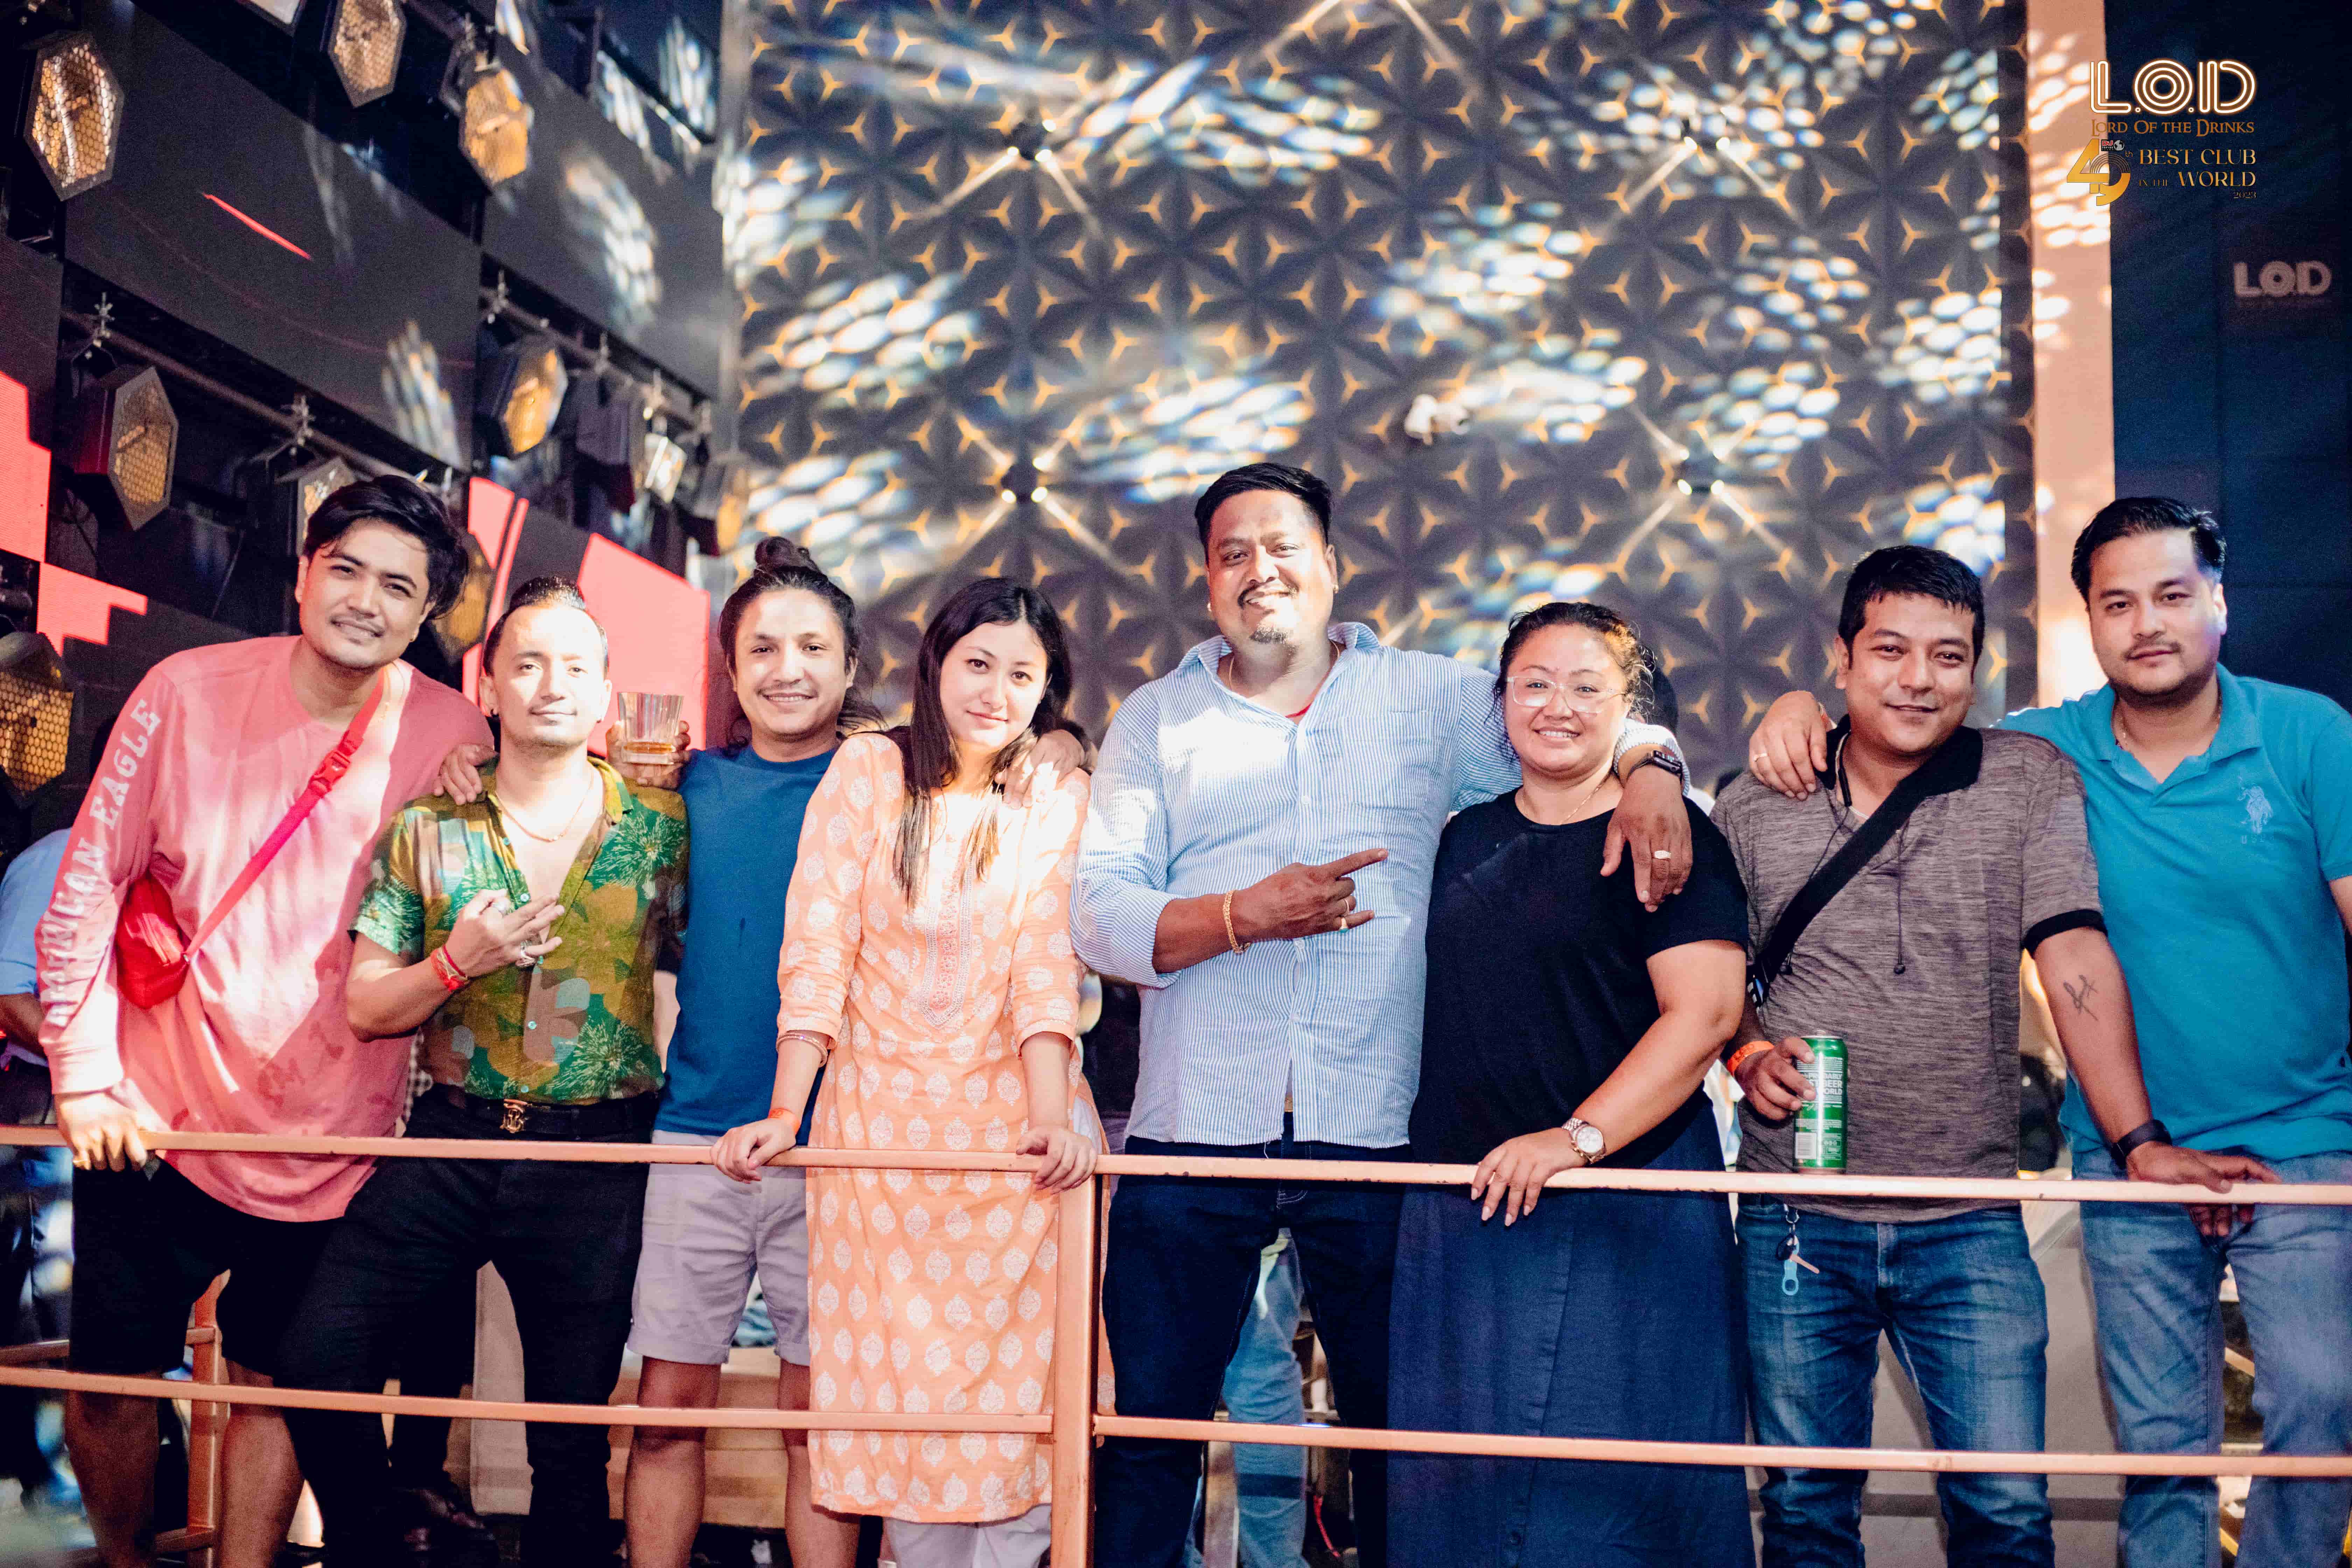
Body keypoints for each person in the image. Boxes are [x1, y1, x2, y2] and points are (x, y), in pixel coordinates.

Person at [1072, 461, 1696, 1568]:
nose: (1259, 571)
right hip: (1190, 1130)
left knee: (1396, 1440)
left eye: (1282, 548)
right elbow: (1101, 916)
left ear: (1330, 566)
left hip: (1377, 1132)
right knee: (1150, 1439)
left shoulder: (1430, 698)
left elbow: (1572, 723)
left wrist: (1654, 769)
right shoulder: (1157, 717)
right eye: (1231, 554)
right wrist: (1241, 916)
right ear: (1206, 580)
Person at [1744, 501, 2349, 1568]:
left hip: (2264, 1147)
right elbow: (1713, 977)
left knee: (2311, 1413)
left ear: (2221, 603)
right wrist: (1792, 711)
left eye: (2173, 595)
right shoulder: (2013, 756)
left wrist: (2143, 1137)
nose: (2147, 624)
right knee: (2155, 1453)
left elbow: (2076, 954)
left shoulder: (2281, 739)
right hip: (2018, 1176)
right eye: (2119, 603)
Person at [33, 476, 488, 1568]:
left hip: (334, 1137)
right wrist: (84, 1078)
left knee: (276, 1380)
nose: (366, 602)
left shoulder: (454, 729)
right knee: (113, 1378)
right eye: (346, 570)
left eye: (398, 588)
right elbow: (88, 885)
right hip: (152, 1119)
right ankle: (125, 1562)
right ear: (303, 573)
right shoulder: (183, 691)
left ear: (427, 615)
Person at [276, 577, 688, 1567]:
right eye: (528, 664)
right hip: (451, 1142)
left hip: (596, 1157)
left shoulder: (665, 826)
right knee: (316, 1357)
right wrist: (454, 963)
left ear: (604, 695)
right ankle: (390, 1539)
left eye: (576, 667)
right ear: (489, 688)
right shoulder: (430, 826)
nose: (553, 684)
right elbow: (369, 1006)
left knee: (569, 1443)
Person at [714, 577, 1099, 1568]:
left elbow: (1044, 965)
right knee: (901, 1411)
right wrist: (785, 1114)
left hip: (1016, 1153)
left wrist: (1052, 1122)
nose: (996, 692)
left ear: (1047, 690)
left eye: (1023, 675)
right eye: (978, 664)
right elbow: (818, 950)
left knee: (1019, 1414)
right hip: (878, 1152)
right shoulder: (868, 771)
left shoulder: (1055, 792)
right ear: (935, 666)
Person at [1390, 601, 1752, 1567]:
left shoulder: (1671, 832)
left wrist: (1575, 1139)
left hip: (1625, 1201)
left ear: (1629, 707)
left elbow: (1706, 1016)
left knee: (1616, 1498)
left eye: (1588, 687)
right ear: (1501, 700)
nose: (1558, 706)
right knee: (1460, 1495)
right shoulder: (1460, 836)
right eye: (1535, 683)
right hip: (1467, 1209)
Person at [0, 828, 76, 1516]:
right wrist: (92, 1060)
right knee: (57, 1289)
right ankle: (62, 1488)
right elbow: (7, 991)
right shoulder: (54, 859)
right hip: (51, 1095)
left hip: (124, 1101)